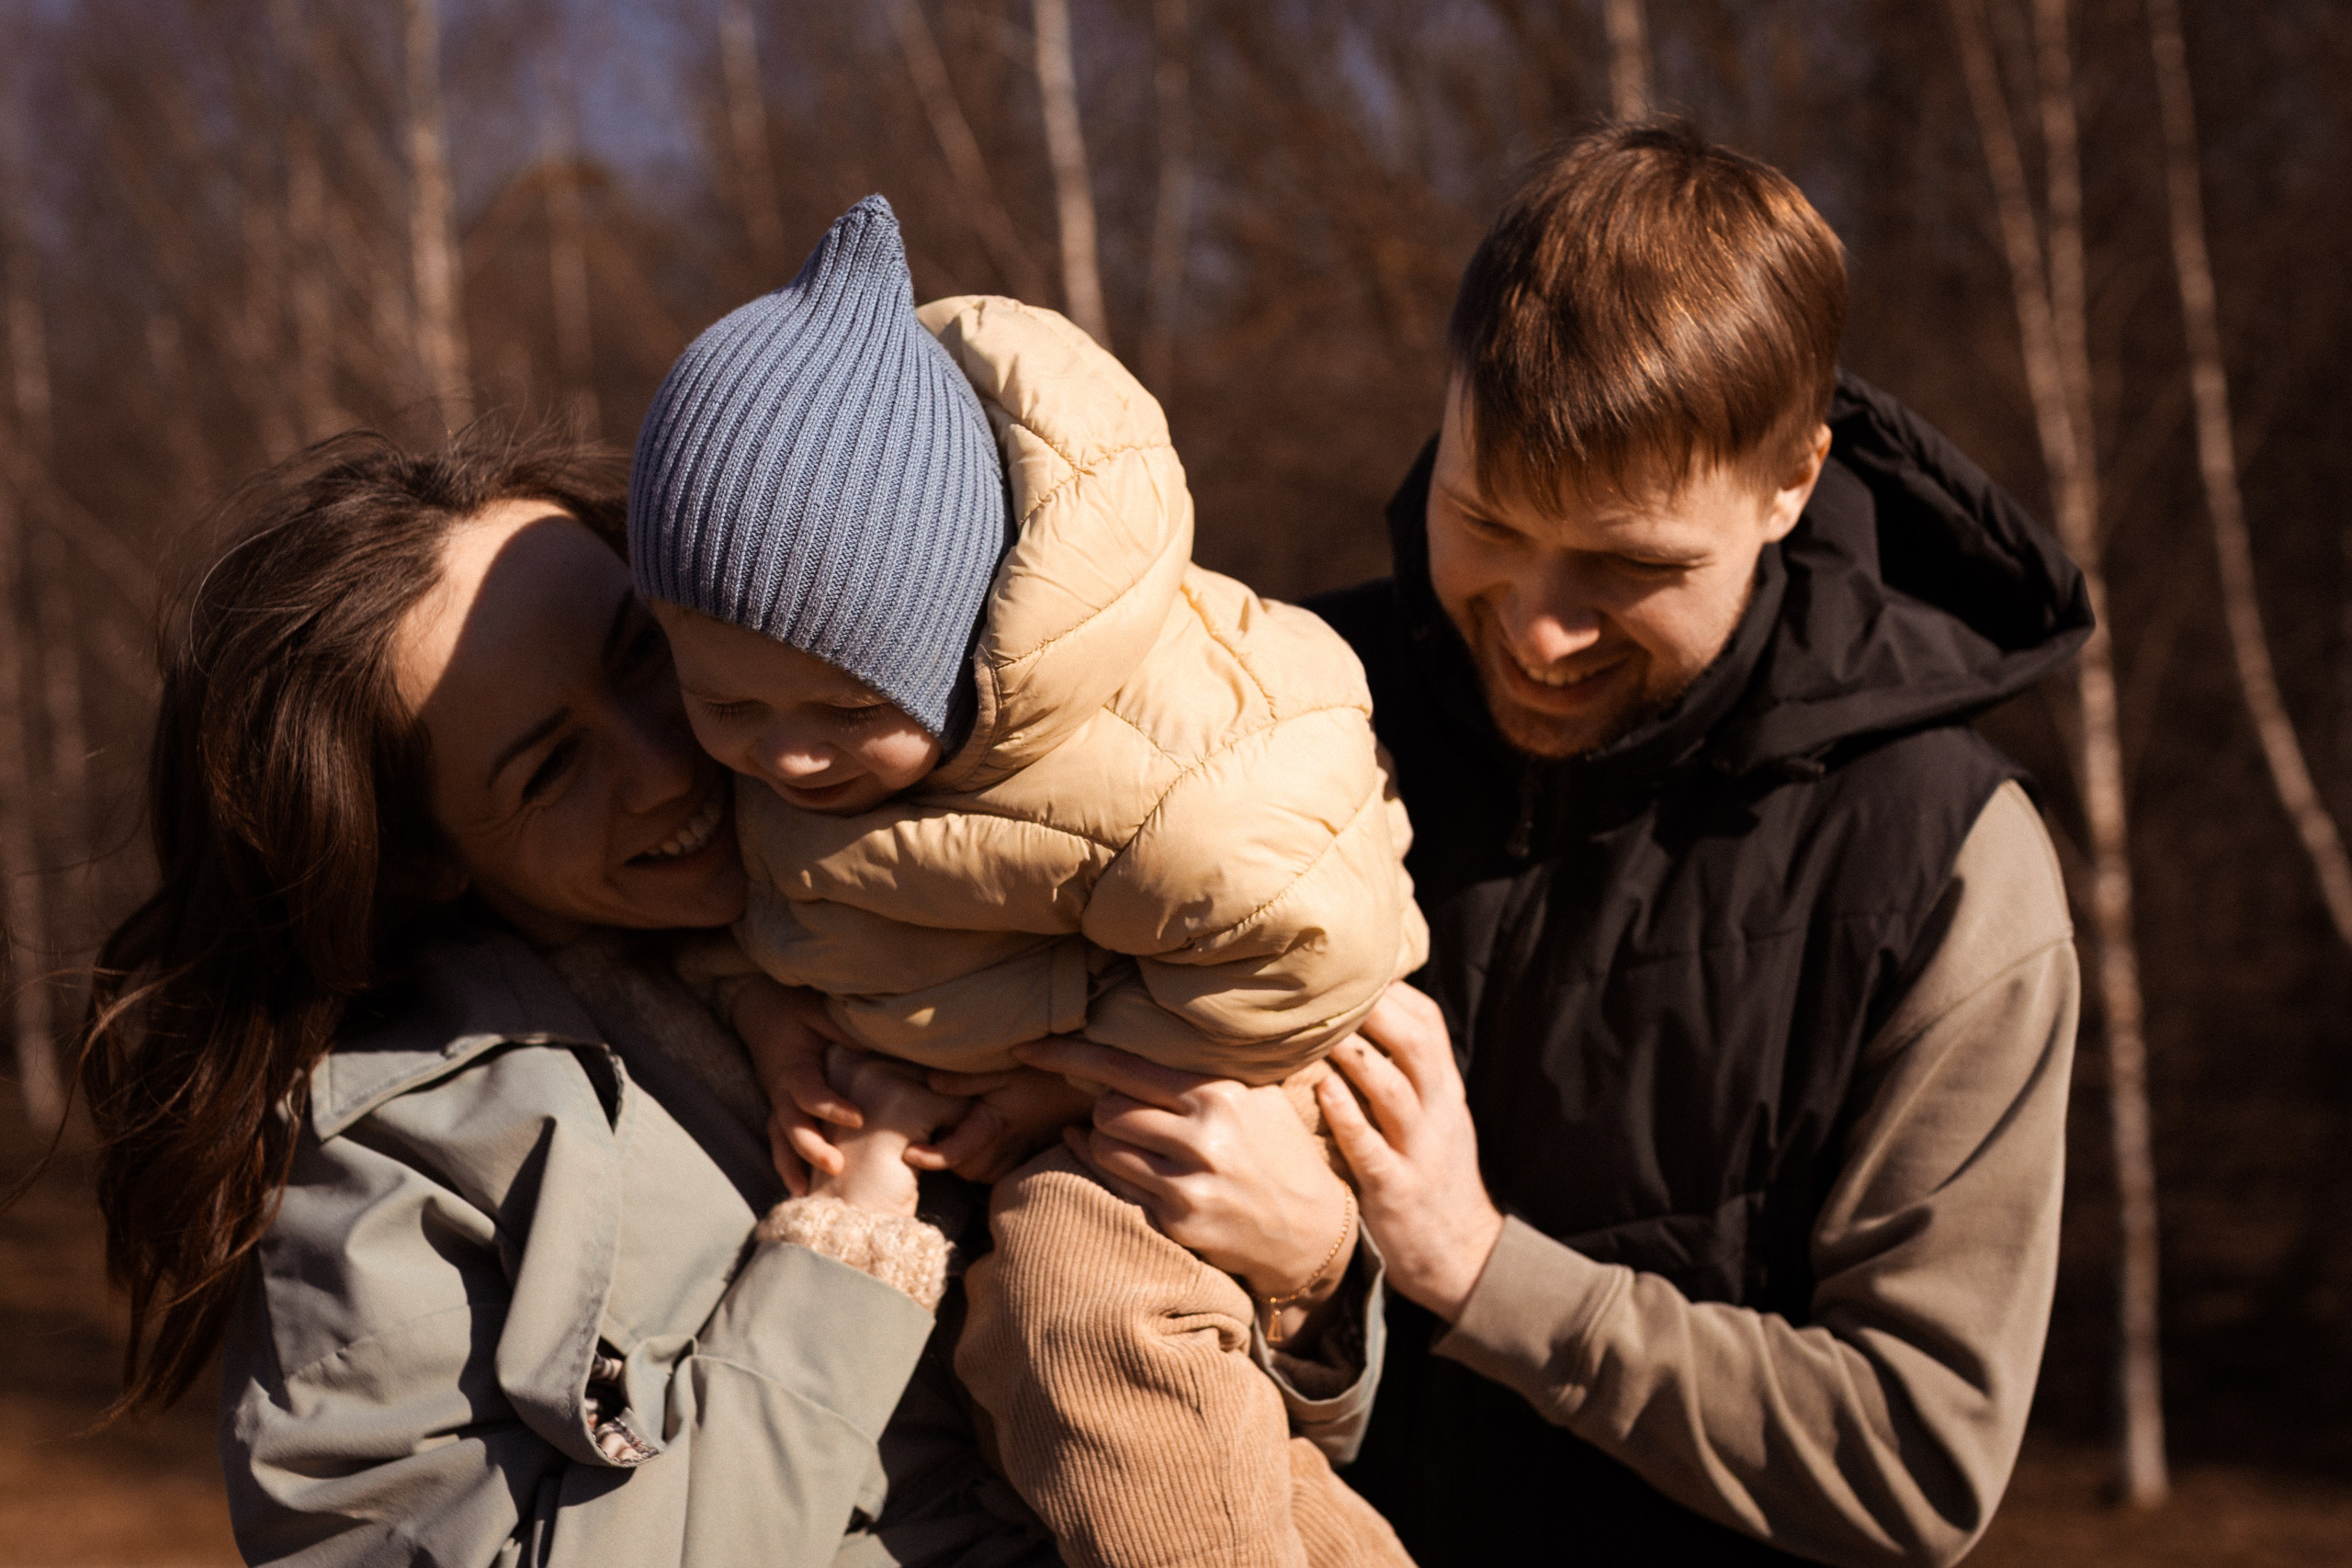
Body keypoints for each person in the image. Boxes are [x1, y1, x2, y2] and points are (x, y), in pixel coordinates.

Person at [72, 428, 1375, 1566]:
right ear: (423, 856)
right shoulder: (391, 1179)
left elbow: (1212, 1429)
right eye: (551, 769)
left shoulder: (948, 871)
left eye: (645, 655)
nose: (665, 759)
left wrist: (1308, 1273)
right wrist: (840, 1262)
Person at [1293, 122, 2093, 1566]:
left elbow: (1916, 1456)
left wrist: (1481, 1271)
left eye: (1629, 565)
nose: (1539, 629)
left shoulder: (1946, 864)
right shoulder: (1285, 708)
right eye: (1486, 521)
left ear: (1792, 480)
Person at [630, 195, 1419, 1568]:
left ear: (965, 658)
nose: (788, 756)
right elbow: (727, 922)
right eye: (728, 704)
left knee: (1081, 1312)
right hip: (1010, 1100)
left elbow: (1311, 936)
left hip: (1210, 1068)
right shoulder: (766, 776)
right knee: (1130, 1426)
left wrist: (1068, 1081)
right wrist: (769, 1019)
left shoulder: (1167, 772)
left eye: (845, 708)